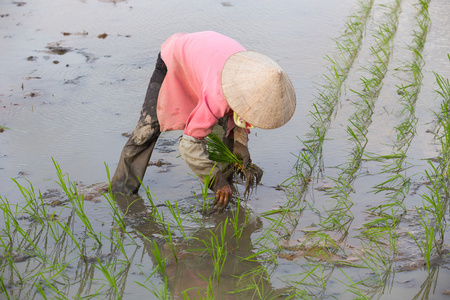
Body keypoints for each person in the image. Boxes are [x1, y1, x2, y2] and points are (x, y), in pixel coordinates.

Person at [111, 31, 296, 211]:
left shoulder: (254, 80)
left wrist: (241, 144)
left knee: (225, 140)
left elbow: (243, 114)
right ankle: (121, 194)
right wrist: (216, 181)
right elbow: (189, 145)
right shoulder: (218, 94)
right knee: (148, 129)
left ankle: (225, 199)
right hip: (175, 58)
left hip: (209, 64)